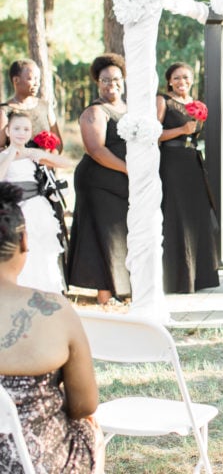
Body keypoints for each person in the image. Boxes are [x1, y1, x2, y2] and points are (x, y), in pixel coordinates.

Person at [0, 182, 104, 472]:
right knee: (89, 428)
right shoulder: (55, 310)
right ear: (23, 242)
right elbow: (85, 404)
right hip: (37, 462)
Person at [66, 53, 130, 306]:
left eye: (115, 79)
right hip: (98, 181)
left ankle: (122, 288)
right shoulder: (95, 111)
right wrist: (129, 169)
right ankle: (105, 294)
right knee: (102, 235)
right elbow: (96, 149)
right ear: (97, 82)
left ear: (123, 80)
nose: (110, 84)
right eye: (105, 80)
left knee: (120, 234)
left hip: (121, 180)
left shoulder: (128, 109)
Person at [156, 62, 220, 293]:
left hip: (192, 162)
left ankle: (200, 276)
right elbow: (154, 134)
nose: (182, 82)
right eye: (176, 78)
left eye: (186, 77)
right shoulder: (163, 101)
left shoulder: (195, 105)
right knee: (176, 216)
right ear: (169, 81)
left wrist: (191, 133)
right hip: (171, 163)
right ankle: (176, 278)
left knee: (197, 216)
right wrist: (181, 131)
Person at [0, 112, 72, 293]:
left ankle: (45, 288)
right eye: (16, 128)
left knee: (41, 249)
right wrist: (10, 156)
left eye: (26, 129)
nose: (21, 133)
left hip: (35, 207)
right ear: (8, 131)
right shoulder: (2, 155)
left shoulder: (32, 154)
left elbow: (65, 163)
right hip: (15, 208)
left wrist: (39, 153)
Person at [0, 59, 64, 151]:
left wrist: (48, 159)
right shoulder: (4, 111)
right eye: (31, 79)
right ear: (16, 80)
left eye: (38, 79)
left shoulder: (45, 107)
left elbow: (58, 145)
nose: (37, 83)